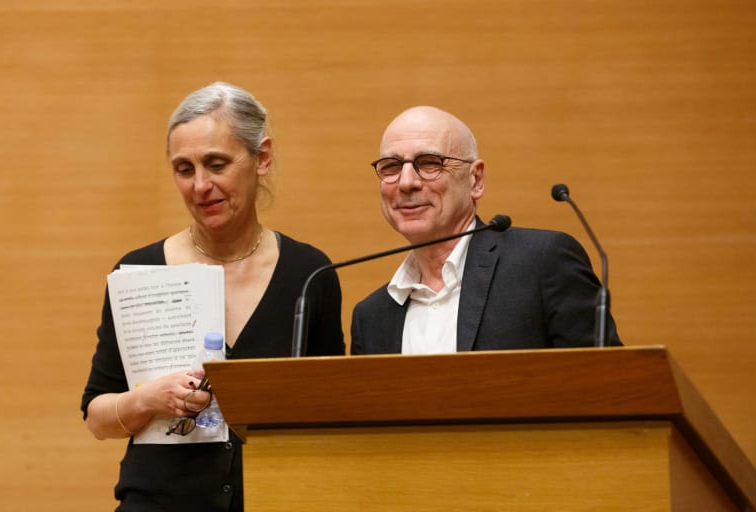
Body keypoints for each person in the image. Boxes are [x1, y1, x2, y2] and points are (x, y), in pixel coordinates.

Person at [81, 82, 345, 511]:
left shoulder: (310, 274)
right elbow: (97, 417)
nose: (200, 185)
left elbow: (334, 413)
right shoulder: (140, 271)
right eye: (184, 169)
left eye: (216, 164)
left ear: (262, 158)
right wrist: (148, 398)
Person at [351, 106, 620, 355]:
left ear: (476, 180)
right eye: (391, 167)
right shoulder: (370, 318)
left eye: (430, 163)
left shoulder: (543, 264)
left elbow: (610, 382)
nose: (406, 182)